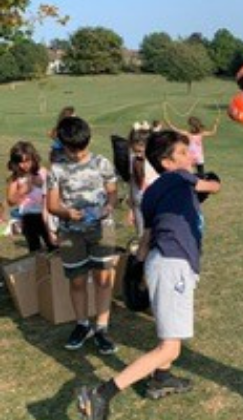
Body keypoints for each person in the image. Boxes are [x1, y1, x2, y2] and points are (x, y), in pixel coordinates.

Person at [76, 129, 221, 420]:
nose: (189, 156)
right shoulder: (179, 178)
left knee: (172, 344)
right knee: (169, 348)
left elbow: (147, 236)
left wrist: (135, 268)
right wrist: (214, 179)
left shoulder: (154, 191)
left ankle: (161, 379)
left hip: (162, 261)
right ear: (166, 162)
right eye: (182, 153)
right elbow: (212, 188)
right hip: (172, 265)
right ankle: (101, 394)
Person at [46, 116, 119, 355]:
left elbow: (112, 192)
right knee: (77, 280)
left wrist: (108, 207)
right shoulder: (56, 170)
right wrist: (66, 212)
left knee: (103, 278)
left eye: (81, 148)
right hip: (70, 234)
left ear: (88, 141)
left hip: (101, 230)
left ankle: (101, 327)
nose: (77, 154)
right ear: (62, 145)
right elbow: (52, 205)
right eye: (71, 150)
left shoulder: (102, 163)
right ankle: (82, 324)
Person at [6, 141, 57, 252]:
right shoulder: (15, 178)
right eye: (19, 162)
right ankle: (39, 267)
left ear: (34, 158)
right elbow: (10, 201)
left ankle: (57, 267)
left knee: (53, 245)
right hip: (29, 217)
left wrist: (43, 184)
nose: (23, 165)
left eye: (27, 161)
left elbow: (54, 191)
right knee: (34, 248)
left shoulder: (42, 172)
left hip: (46, 213)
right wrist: (22, 191)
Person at [127, 122, 159, 236]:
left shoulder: (156, 161)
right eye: (135, 151)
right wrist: (131, 209)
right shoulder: (132, 159)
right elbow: (131, 183)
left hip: (155, 204)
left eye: (141, 151)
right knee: (141, 235)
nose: (138, 155)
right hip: (138, 204)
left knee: (157, 234)